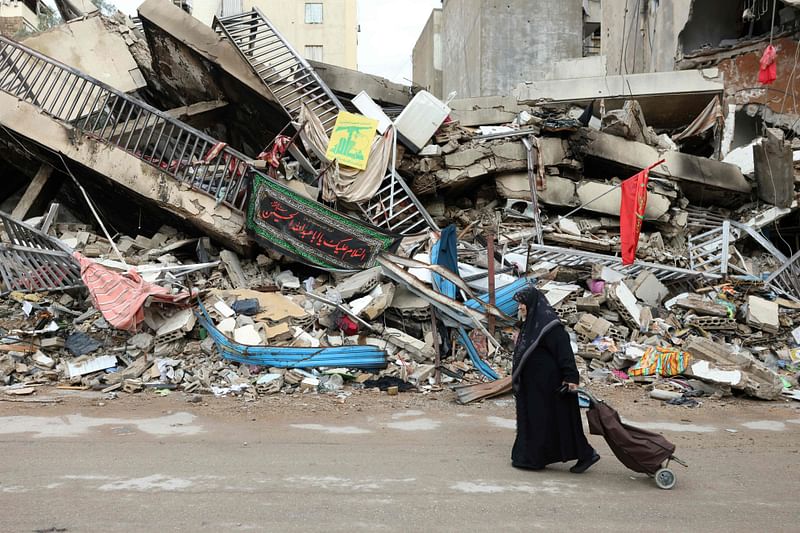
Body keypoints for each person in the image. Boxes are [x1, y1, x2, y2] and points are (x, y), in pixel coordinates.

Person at [510, 284, 599, 473]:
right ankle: (532, 457)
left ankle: (585, 454)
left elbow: (564, 352)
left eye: (522, 304)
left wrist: (571, 377)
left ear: (532, 303)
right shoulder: (532, 323)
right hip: (535, 386)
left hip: (549, 385)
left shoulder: (550, 326)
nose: (519, 307)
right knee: (539, 420)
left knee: (554, 420)